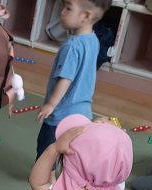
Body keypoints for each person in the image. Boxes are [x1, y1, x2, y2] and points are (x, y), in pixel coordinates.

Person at [35, 0, 110, 158]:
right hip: (83, 113)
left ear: (86, 16)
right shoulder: (93, 39)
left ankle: (45, 173)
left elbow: (66, 79)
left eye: (68, 8)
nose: (62, 11)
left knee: (46, 153)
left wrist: (51, 104)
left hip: (61, 115)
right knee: (70, 155)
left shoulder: (72, 46)